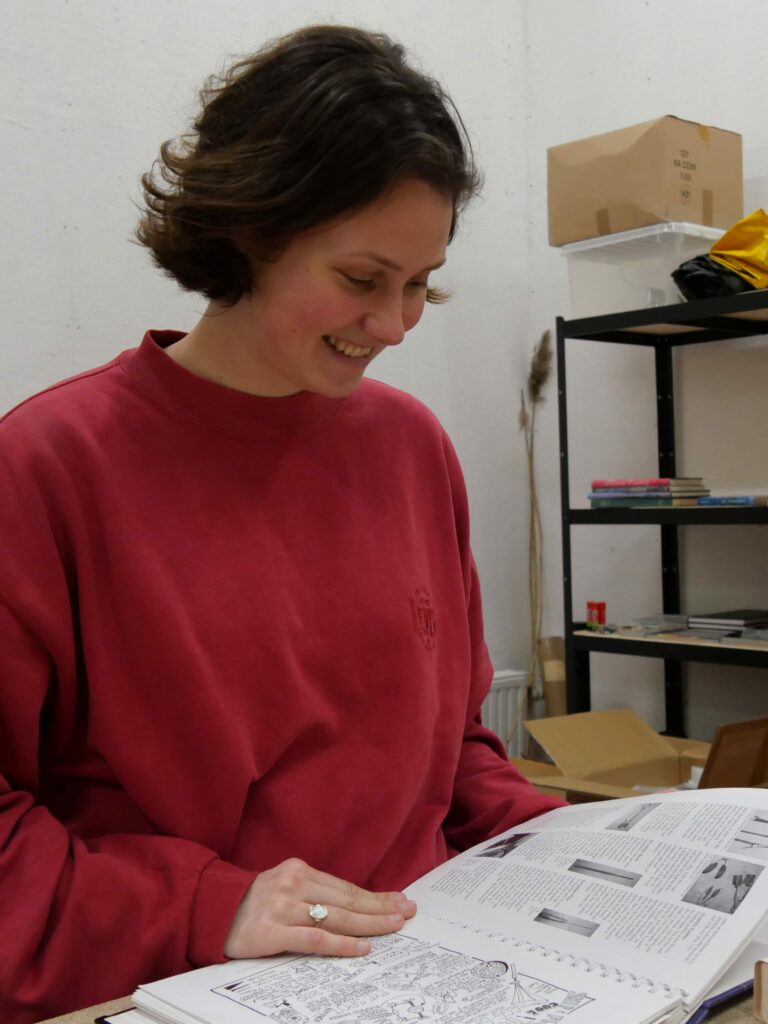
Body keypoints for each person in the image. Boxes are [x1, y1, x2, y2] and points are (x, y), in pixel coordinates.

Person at [0, 24, 565, 1023]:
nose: (394, 326)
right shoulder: (48, 464)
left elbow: (453, 746)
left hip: (431, 967)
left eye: (420, 284)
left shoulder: (412, 446)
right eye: (361, 280)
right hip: (181, 984)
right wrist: (205, 905)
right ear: (251, 231)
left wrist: (561, 844)